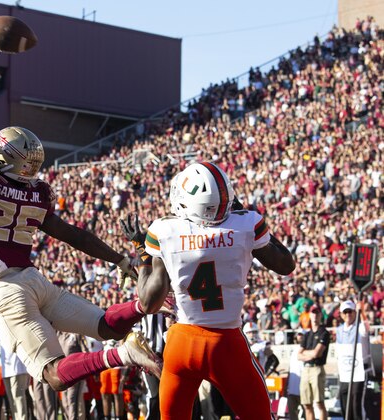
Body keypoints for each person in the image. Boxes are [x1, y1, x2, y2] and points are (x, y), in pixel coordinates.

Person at [0, 53, 160, 395]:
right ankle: (144, 303)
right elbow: (72, 234)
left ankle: (123, 353)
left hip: (5, 289)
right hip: (35, 280)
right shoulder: (35, 195)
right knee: (105, 325)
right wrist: (119, 259)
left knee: (51, 374)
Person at [121, 161, 295, 420]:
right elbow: (285, 264)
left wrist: (143, 252)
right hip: (226, 344)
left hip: (183, 343)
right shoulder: (245, 226)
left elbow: (149, 302)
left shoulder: (166, 230)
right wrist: (249, 221)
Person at [335, 300, 371, 420]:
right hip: (345, 372)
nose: (348, 315)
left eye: (350, 312)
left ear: (355, 313)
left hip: (358, 371)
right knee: (345, 402)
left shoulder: (359, 327)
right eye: (345, 312)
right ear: (341, 314)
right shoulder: (339, 330)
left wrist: (362, 312)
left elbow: (366, 328)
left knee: (356, 402)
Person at [298, 305, 330, 420]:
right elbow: (298, 355)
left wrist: (306, 354)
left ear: (320, 315)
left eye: (317, 313)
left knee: (319, 402)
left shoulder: (324, 333)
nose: (315, 315)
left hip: (317, 368)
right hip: (306, 369)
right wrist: (310, 354)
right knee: (306, 404)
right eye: (313, 313)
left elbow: (317, 353)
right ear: (310, 315)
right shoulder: (307, 335)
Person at [287, 329, 305, 420]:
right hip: (292, 389)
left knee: (307, 412)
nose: (300, 336)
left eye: (302, 335)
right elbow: (290, 369)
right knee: (292, 414)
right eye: (299, 335)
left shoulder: (307, 349)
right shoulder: (294, 350)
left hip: (303, 388)